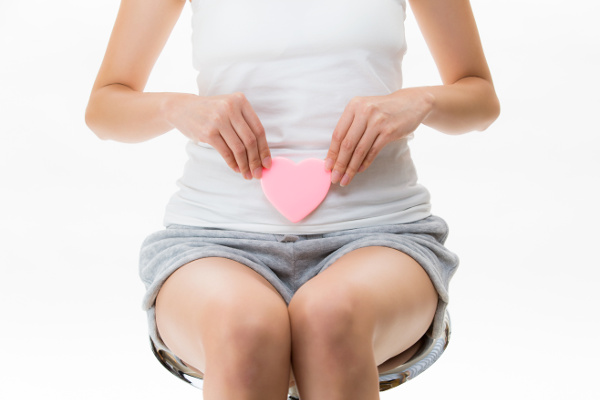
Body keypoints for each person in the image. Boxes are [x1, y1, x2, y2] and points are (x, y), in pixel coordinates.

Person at [85, 0, 499, 399]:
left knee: (330, 317)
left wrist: (420, 101)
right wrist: (174, 108)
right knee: (245, 328)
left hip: (381, 235)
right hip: (212, 240)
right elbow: (104, 107)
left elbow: (480, 97)